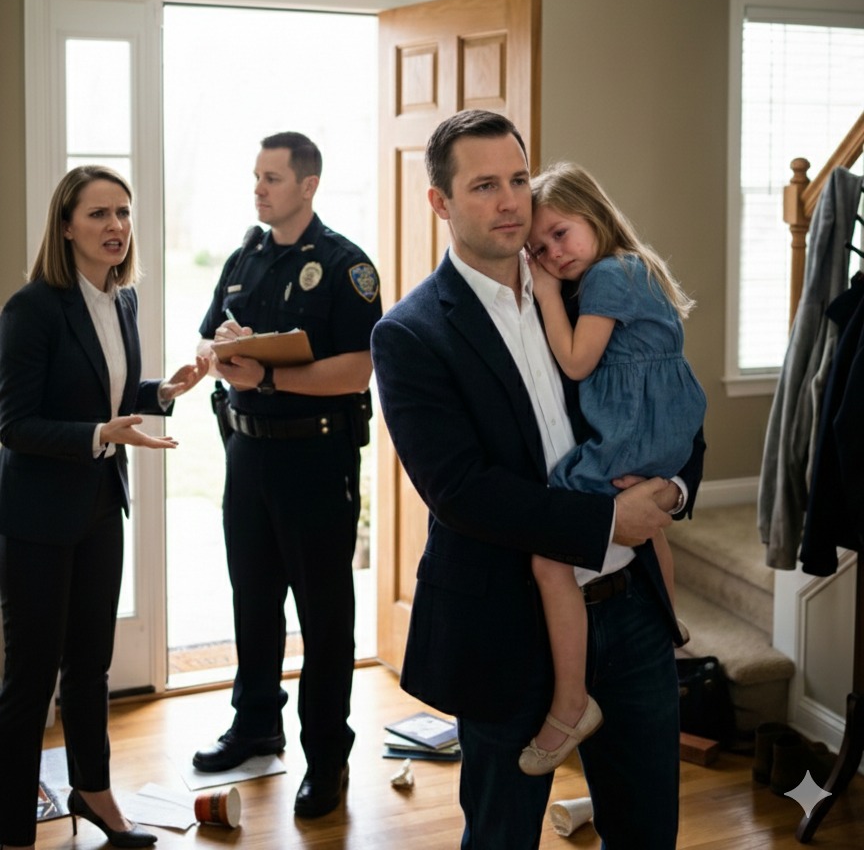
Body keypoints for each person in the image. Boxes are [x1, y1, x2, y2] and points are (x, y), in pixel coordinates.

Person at [370, 109, 704, 850]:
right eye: (484, 185)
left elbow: (669, 400)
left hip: (631, 611)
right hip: (506, 624)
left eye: (519, 179)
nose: (511, 201)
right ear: (440, 202)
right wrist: (606, 522)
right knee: (502, 836)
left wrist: (674, 491)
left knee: (649, 831)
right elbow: (460, 490)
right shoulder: (412, 334)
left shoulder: (588, 286)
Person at [0, 165, 208, 850]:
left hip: (98, 506)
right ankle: (11, 825)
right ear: (66, 226)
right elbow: (15, 425)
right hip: (37, 518)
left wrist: (163, 391)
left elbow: (106, 393)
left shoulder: (123, 301)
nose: (115, 226)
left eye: (122, 212)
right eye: (98, 214)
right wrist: (100, 434)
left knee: (91, 666)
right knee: (31, 675)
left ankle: (94, 795)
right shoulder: (31, 309)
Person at [192, 131, 381, 820]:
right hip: (248, 454)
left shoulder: (344, 266)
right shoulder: (246, 256)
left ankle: (327, 757)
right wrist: (218, 349)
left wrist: (269, 376)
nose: (259, 188)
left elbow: (359, 368)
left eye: (271, 178)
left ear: (308, 185)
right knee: (253, 598)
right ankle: (255, 726)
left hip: (316, 459)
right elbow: (209, 336)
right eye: (256, 176)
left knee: (324, 615)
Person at [517, 161, 707, 776]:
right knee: (649, 528)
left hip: (631, 431)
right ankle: (669, 621)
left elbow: (576, 363)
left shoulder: (605, 278)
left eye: (560, 234)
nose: (553, 254)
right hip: (666, 428)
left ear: (595, 215)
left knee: (550, 556)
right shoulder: (638, 266)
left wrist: (547, 294)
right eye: (539, 249)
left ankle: (571, 702)